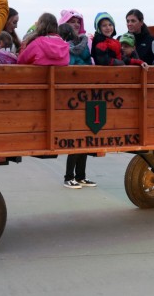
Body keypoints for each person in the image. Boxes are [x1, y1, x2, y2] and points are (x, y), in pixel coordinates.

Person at [57, 21, 96, 189]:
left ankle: (77, 176)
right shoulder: (84, 46)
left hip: (73, 95)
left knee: (80, 139)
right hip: (85, 92)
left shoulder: (63, 50)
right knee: (79, 139)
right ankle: (73, 176)